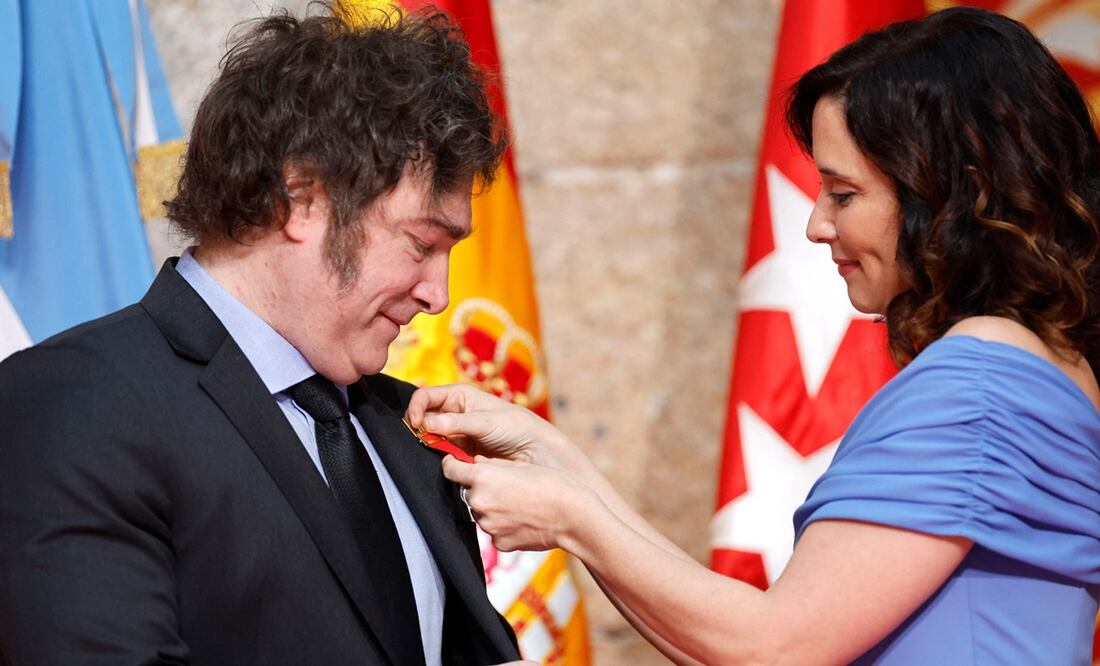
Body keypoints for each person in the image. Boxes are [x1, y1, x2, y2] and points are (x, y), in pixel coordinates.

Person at [405, 7, 1100, 664]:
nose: (817, 224)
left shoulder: (976, 384)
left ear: (946, 193)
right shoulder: (1032, 364)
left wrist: (572, 519)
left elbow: (771, 648)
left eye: (845, 194)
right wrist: (554, 461)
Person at [0, 4, 523, 665]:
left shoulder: (408, 430)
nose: (438, 295)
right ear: (299, 199)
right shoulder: (71, 405)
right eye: (421, 243)